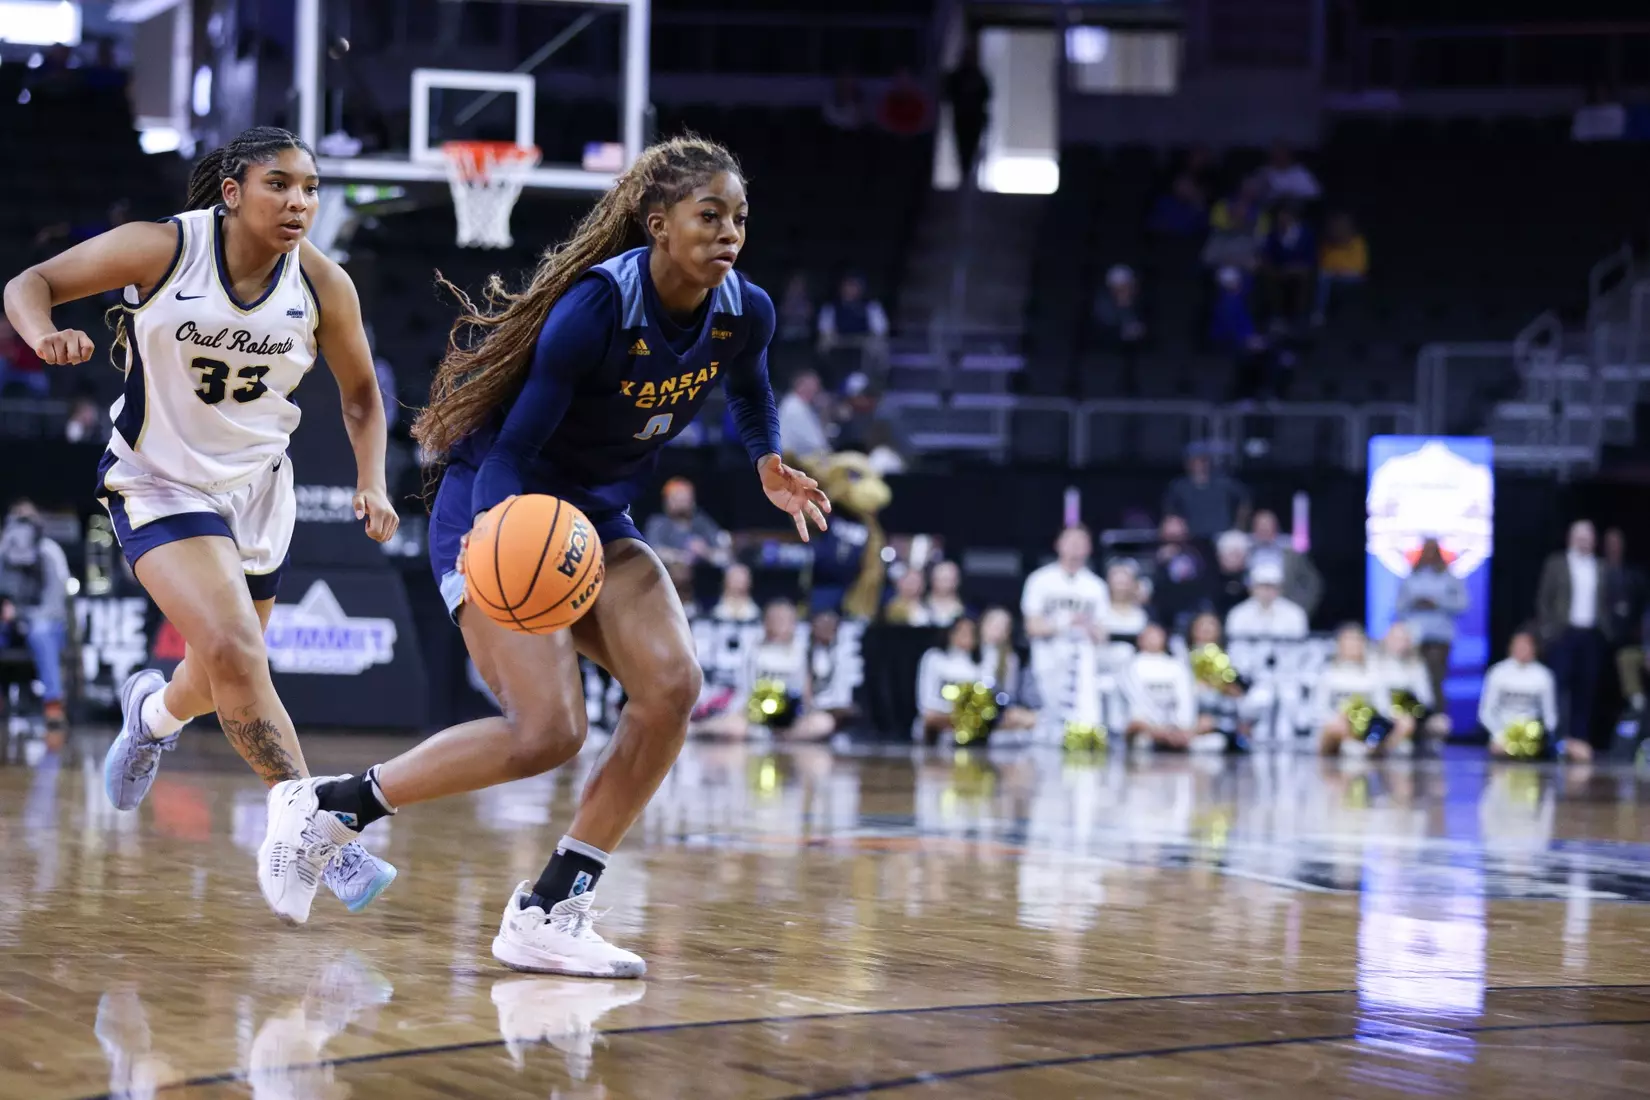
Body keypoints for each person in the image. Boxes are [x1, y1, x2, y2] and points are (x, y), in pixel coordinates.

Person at [256, 137, 831, 974]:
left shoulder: (746, 308)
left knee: (672, 687)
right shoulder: (597, 310)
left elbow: (750, 386)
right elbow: (514, 448)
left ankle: (553, 907)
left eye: (740, 217)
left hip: (596, 512)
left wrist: (766, 458)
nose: (730, 232)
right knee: (549, 731)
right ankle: (333, 807)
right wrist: (496, 537)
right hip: (502, 503)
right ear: (658, 223)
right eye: (710, 216)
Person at [1, 126, 400, 910]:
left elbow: (360, 395)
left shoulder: (325, 285)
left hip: (255, 489)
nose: (299, 202)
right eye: (279, 184)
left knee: (222, 674)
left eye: (311, 188)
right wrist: (45, 332)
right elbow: (30, 281)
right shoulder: (163, 249)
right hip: (159, 480)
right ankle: (312, 822)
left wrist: (373, 481)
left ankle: (150, 716)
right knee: (233, 648)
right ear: (232, 191)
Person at [696, 599, 835, 742]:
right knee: (734, 727)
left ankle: (784, 737)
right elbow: (744, 688)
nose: (780, 624)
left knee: (824, 723)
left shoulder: (803, 652)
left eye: (785, 620)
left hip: (792, 718)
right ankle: (695, 730)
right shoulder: (753, 650)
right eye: (776, 619)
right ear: (766, 622)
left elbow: (807, 693)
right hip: (755, 715)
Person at [1022, 526, 1109, 736]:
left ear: (1089, 548)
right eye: (1070, 541)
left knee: (1081, 722)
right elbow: (1031, 626)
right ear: (1058, 544)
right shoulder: (1040, 580)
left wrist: (1088, 627)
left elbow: (1103, 633)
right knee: (1051, 721)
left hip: (1083, 661)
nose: (1075, 547)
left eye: (1081, 542)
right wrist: (1065, 622)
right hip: (1048, 657)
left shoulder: (1095, 586)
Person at [1536, 520, 1611, 752]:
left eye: (1588, 538)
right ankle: (1558, 739)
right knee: (1559, 687)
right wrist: (1548, 630)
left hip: (1590, 634)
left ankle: (1580, 741)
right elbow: (1543, 598)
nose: (1584, 542)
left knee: (1586, 688)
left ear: (1594, 541)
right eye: (1579, 537)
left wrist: (1607, 630)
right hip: (1563, 634)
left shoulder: (1600, 566)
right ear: (1571, 538)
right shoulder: (1557, 563)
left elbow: (1607, 601)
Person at [0, 502, 72, 731]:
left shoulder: (49, 552)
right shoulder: (4, 551)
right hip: (11, 624)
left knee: (41, 632)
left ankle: (53, 704)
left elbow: (55, 607)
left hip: (44, 622)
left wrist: (20, 614)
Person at [1315, 624, 1413, 758]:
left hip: (1367, 725)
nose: (1352, 645)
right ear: (1339, 644)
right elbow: (1318, 710)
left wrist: (1395, 719)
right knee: (1334, 726)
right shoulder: (1328, 674)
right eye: (1348, 641)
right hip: (1339, 727)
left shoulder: (1374, 674)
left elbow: (1383, 707)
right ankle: (1355, 747)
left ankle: (1375, 748)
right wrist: (1339, 718)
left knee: (1404, 721)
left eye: (1356, 641)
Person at [1479, 630, 1578, 761]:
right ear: (1511, 647)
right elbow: (1485, 712)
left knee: (1576, 752)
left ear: (1534, 649)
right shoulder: (1498, 673)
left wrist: (1541, 736)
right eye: (1519, 646)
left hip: (1534, 736)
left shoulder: (1543, 675)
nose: (1522, 650)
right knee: (1499, 749)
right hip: (1503, 735)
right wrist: (1500, 735)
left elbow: (1550, 714)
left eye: (1526, 646)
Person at [1395, 537, 1467, 714]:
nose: (1428, 555)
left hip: (1439, 638)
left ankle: (1437, 721)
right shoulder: (1412, 577)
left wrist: (1438, 603)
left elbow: (1463, 605)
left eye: (1432, 551)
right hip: (1413, 638)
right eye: (1425, 551)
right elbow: (1399, 608)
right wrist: (1415, 603)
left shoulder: (1450, 578)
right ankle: (1414, 724)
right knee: (1411, 680)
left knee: (1434, 680)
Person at [1121, 622, 1197, 751]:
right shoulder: (1131, 665)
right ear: (1140, 639)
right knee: (1142, 742)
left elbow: (1185, 699)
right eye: (1149, 636)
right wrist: (1157, 731)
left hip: (1177, 730)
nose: (1153, 640)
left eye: (1157, 636)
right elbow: (1134, 702)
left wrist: (1182, 727)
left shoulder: (1176, 666)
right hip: (1145, 730)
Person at [1377, 622, 1451, 748]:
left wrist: (1411, 710)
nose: (1399, 643)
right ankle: (1384, 749)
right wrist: (1393, 714)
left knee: (1442, 723)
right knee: (1404, 724)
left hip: (1412, 713)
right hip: (1384, 715)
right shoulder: (1375, 663)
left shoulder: (1417, 666)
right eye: (1395, 639)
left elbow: (1426, 699)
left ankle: (1428, 752)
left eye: (1403, 639)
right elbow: (1377, 698)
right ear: (1386, 640)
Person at [916, 616, 985, 743]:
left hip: (969, 718)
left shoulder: (979, 664)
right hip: (939, 715)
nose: (966, 636)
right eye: (961, 631)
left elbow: (983, 700)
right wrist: (953, 712)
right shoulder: (934, 658)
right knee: (930, 718)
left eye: (971, 632)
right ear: (950, 634)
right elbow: (926, 701)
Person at [1162, 443, 1250, 540]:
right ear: (1188, 463)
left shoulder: (1224, 483)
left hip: (1222, 536)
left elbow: (1244, 500)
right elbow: (1170, 512)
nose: (1199, 464)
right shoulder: (1179, 486)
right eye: (1195, 460)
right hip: (1191, 538)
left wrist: (1239, 526)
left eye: (1203, 460)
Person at [641, 477, 730, 568]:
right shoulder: (658, 522)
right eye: (675, 498)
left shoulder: (702, 522)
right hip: (667, 575)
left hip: (703, 574)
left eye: (684, 498)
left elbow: (724, 554)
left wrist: (705, 551)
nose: (680, 503)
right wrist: (680, 557)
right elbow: (652, 551)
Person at [1248, 509, 1322, 617]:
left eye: (1267, 525)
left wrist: (1301, 609)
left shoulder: (1293, 554)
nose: (1264, 528)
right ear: (1253, 527)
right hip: (1250, 612)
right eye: (1260, 525)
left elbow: (1313, 583)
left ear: (1275, 527)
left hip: (1287, 613)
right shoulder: (1243, 552)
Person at [943, 41, 991, 184]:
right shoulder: (958, 77)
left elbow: (987, 95)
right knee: (962, 149)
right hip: (961, 117)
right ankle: (965, 175)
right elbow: (948, 95)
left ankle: (969, 174)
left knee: (972, 148)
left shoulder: (978, 76)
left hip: (974, 119)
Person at [1225, 560, 1308, 640]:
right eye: (1262, 587)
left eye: (1271, 587)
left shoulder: (1295, 613)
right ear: (1252, 588)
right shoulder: (1238, 614)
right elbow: (1235, 648)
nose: (1267, 591)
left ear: (1280, 589)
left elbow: (1298, 647)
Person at [778, 369, 831, 460]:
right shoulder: (794, 407)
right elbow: (816, 443)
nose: (815, 390)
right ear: (800, 386)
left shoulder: (802, 405)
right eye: (811, 386)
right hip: (794, 462)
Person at [923, 560, 966, 626]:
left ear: (957, 581)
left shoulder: (966, 611)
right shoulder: (919, 606)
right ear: (932, 580)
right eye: (941, 579)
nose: (945, 584)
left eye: (949, 579)